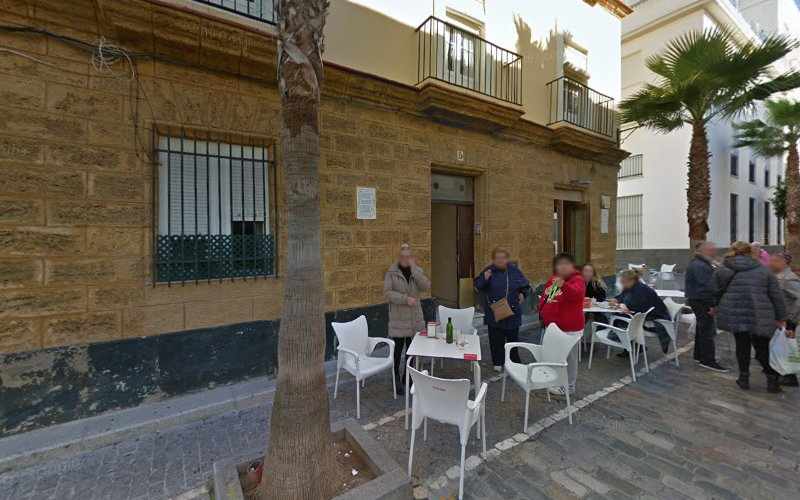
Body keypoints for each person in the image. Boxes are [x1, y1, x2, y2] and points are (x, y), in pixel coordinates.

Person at [715, 241, 786, 393]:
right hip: (760, 314)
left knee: (741, 345)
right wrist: (781, 317)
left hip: (735, 312)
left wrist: (714, 307)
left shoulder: (724, 270)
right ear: (750, 252)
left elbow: (714, 291)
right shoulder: (764, 270)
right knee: (763, 348)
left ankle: (744, 378)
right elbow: (776, 296)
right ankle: (772, 380)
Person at [475, 247, 531, 372]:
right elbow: (478, 287)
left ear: (507, 259)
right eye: (497, 258)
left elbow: (526, 286)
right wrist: (484, 278)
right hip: (494, 312)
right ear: (493, 259)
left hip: (512, 311)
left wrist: (523, 293)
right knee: (495, 339)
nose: (500, 260)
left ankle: (513, 361)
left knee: (512, 339)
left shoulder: (514, 271)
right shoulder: (488, 271)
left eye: (503, 258)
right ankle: (498, 362)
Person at [384, 243, 430, 395]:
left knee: (412, 351)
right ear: (399, 257)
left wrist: (415, 270)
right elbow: (387, 293)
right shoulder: (391, 272)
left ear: (412, 257)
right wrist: (405, 299)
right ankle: (395, 376)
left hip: (414, 318)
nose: (405, 259)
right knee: (397, 351)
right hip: (398, 318)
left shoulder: (417, 271)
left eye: (408, 256)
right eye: (403, 256)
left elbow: (425, 286)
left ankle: (407, 377)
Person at [539, 253, 585, 395]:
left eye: (566, 264)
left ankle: (569, 386)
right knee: (553, 356)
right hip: (553, 328)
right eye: (559, 264)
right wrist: (541, 312)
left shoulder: (577, 280)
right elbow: (548, 299)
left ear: (572, 266)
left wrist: (564, 285)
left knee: (569, 359)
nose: (562, 267)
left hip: (570, 330)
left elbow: (576, 294)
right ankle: (554, 382)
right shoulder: (555, 280)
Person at [685, 241, 727, 372]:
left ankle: (699, 355)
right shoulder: (701, 265)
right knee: (707, 330)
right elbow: (707, 287)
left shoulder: (701, 263)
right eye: (712, 250)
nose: (714, 252)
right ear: (704, 251)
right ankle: (708, 359)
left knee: (702, 328)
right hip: (702, 301)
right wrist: (712, 304)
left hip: (698, 300)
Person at [611, 269, 672, 354]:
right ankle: (630, 346)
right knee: (619, 317)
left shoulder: (641, 290)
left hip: (656, 318)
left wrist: (624, 307)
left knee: (621, 319)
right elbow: (622, 297)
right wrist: (616, 300)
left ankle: (630, 345)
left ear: (631, 280)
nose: (622, 284)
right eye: (621, 282)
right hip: (645, 314)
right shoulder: (630, 287)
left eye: (623, 282)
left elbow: (639, 309)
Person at [767, 252, 800, 387]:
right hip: (778, 319)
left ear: (783, 262)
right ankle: (782, 373)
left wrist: (792, 320)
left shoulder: (789, 279)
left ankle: (789, 376)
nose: (770, 263)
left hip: (787, 320)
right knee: (780, 347)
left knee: (786, 348)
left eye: (774, 261)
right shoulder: (777, 277)